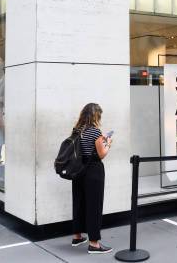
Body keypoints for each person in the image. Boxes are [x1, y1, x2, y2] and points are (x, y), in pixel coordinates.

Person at [71, 103, 113, 254]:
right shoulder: (96, 132)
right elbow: (101, 154)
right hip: (93, 171)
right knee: (94, 206)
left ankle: (77, 236)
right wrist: (108, 144)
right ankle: (94, 244)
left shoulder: (76, 130)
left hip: (77, 170)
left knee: (79, 202)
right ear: (96, 116)